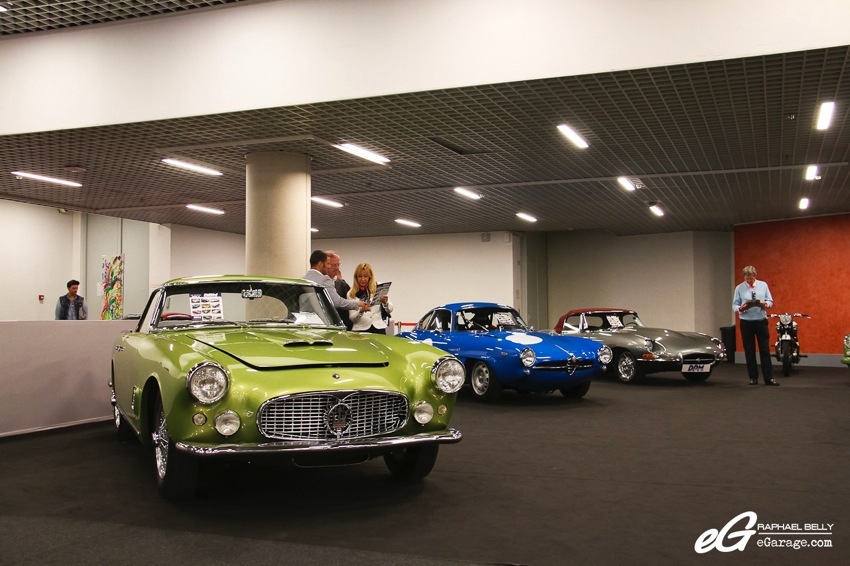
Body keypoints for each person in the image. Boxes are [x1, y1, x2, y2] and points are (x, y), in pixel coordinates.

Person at [732, 265, 778, 386]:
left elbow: (770, 301)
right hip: (746, 322)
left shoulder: (763, 285)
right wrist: (740, 308)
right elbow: (734, 305)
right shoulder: (739, 288)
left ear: (755, 276)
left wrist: (765, 304)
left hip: (761, 321)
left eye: (751, 279)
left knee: (764, 350)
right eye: (747, 279)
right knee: (749, 350)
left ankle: (769, 378)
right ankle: (753, 378)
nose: (749, 281)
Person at [302, 250, 368, 319]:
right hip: (321, 323)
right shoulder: (325, 279)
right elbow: (336, 301)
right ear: (320, 264)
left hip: (305, 322)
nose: (329, 266)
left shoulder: (302, 280)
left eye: (338, 265)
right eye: (328, 264)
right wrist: (358, 303)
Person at [348, 263, 393, 334]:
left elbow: (390, 309)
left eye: (365, 276)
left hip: (379, 328)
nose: (363, 279)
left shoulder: (379, 287)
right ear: (356, 277)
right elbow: (352, 318)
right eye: (360, 276)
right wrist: (361, 311)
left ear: (370, 277)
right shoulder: (351, 293)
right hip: (360, 330)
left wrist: (385, 303)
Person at [325, 250, 353, 330]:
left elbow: (348, 311)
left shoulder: (343, 286)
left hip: (340, 329)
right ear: (325, 265)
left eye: (338, 265)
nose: (337, 268)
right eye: (334, 265)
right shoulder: (316, 284)